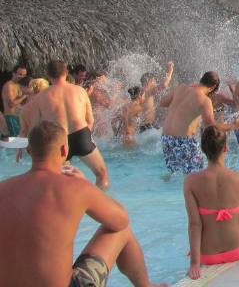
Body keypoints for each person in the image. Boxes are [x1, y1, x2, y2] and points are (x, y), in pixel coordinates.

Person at [0, 121, 167, 287]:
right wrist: (88, 186)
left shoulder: (3, 188)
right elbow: (121, 220)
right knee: (121, 231)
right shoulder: (77, 188)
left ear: (29, 151)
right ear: (64, 151)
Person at [18, 60, 109, 189]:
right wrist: (85, 135)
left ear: (48, 75)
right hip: (81, 134)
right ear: (66, 73)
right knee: (101, 173)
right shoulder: (80, 91)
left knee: (63, 182)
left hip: (58, 139)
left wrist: (27, 147)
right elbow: (90, 120)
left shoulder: (40, 98)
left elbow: (34, 128)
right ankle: (100, 203)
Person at [184, 126, 239, 278]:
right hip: (236, 249)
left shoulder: (190, 181)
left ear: (203, 149)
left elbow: (194, 224)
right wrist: (232, 219)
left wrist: (194, 264)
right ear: (225, 147)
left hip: (207, 255)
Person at [159, 71, 239, 175]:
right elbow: (210, 125)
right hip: (183, 140)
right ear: (213, 87)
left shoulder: (181, 87)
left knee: (174, 173)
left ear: (201, 80)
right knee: (198, 174)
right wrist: (233, 126)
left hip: (166, 139)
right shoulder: (204, 100)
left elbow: (162, 103)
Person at [136, 62, 174, 132]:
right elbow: (164, 85)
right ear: (149, 82)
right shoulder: (146, 92)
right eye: (153, 81)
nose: (154, 83)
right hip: (147, 126)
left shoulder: (139, 92)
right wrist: (170, 70)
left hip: (142, 126)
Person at [2, 64, 27, 136]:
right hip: (10, 117)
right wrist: (24, 96)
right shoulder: (9, 85)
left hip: (19, 118)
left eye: (24, 75)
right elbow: (11, 104)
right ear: (13, 73)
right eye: (20, 74)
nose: (22, 77)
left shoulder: (19, 85)